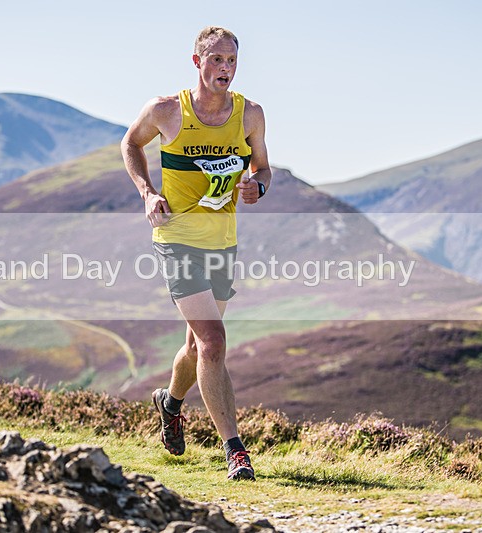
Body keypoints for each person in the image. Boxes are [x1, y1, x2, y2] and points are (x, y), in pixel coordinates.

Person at [121, 26, 272, 480]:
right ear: (197, 62)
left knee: (194, 346)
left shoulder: (250, 115)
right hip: (177, 238)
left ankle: (169, 403)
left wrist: (256, 187)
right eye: (217, 60)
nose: (226, 69)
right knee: (214, 342)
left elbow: (263, 167)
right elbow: (130, 143)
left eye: (232, 61)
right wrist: (147, 192)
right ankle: (236, 450)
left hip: (222, 241)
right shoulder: (166, 111)